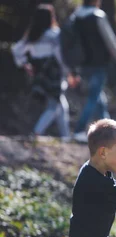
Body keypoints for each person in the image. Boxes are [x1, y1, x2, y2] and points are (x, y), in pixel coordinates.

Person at [11, 4, 75, 142]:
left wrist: (24, 64)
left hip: (39, 73)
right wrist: (68, 72)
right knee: (53, 105)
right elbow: (60, 56)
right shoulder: (54, 34)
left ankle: (66, 137)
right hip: (53, 73)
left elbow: (16, 50)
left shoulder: (33, 34)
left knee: (60, 103)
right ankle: (36, 132)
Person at [70, 0, 116, 141]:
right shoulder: (98, 16)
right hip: (99, 63)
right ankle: (79, 130)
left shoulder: (76, 17)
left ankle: (109, 131)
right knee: (93, 96)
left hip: (82, 63)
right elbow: (110, 41)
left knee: (98, 96)